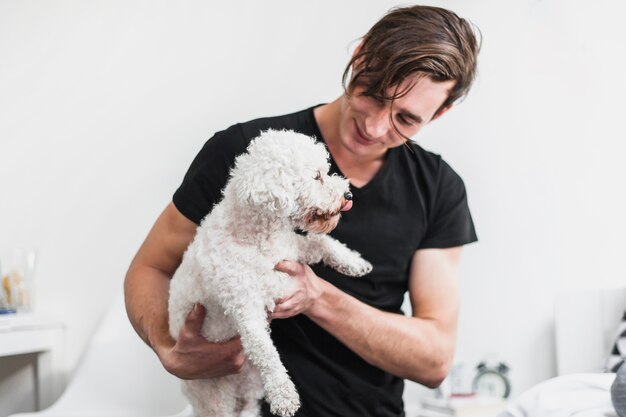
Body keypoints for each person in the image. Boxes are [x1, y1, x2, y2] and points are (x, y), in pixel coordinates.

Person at [124, 4, 481, 417]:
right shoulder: (247, 152)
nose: (376, 127)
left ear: (440, 113)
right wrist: (169, 350)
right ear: (360, 55)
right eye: (373, 93)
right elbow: (149, 268)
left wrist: (316, 296)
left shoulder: (438, 188)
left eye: (406, 119)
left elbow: (434, 359)